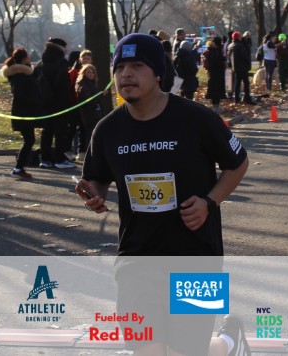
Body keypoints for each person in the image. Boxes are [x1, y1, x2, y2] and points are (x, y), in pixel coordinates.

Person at [76, 33, 250, 356]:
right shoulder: (108, 129)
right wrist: (93, 195)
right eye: (120, 68)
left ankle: (228, 344)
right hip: (137, 259)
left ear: (158, 73)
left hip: (197, 256)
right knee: (147, 350)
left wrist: (209, 202)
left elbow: (237, 163)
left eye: (137, 66)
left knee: (188, 350)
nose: (126, 74)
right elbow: (97, 179)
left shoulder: (197, 119)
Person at [34, 39, 76, 170]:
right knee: (60, 132)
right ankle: (59, 159)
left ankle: (44, 158)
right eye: (65, 47)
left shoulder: (41, 63)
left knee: (47, 131)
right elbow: (62, 84)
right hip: (60, 104)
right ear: (60, 48)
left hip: (45, 103)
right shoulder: (61, 63)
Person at [2, 48, 38, 179]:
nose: (30, 57)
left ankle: (19, 167)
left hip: (25, 111)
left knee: (29, 140)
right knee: (29, 140)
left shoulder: (24, 73)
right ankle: (18, 168)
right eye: (28, 55)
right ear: (23, 58)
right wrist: (33, 101)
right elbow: (20, 94)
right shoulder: (20, 75)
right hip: (23, 112)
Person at [75, 64, 104, 155]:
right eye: (88, 72)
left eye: (92, 73)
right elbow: (88, 100)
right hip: (89, 114)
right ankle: (91, 154)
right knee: (91, 134)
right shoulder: (83, 85)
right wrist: (100, 95)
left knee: (95, 133)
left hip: (95, 113)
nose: (91, 74)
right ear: (84, 73)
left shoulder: (91, 84)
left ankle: (95, 153)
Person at [227, 32, 254, 105]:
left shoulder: (230, 46)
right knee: (246, 83)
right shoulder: (240, 45)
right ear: (238, 37)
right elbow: (244, 56)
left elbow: (229, 56)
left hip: (235, 68)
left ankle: (237, 99)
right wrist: (248, 62)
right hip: (243, 67)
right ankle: (247, 99)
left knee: (237, 83)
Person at [203, 36, 226, 111]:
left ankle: (216, 104)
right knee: (216, 89)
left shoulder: (213, 50)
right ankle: (215, 105)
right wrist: (222, 61)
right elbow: (215, 62)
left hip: (213, 73)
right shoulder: (215, 51)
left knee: (215, 89)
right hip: (216, 73)